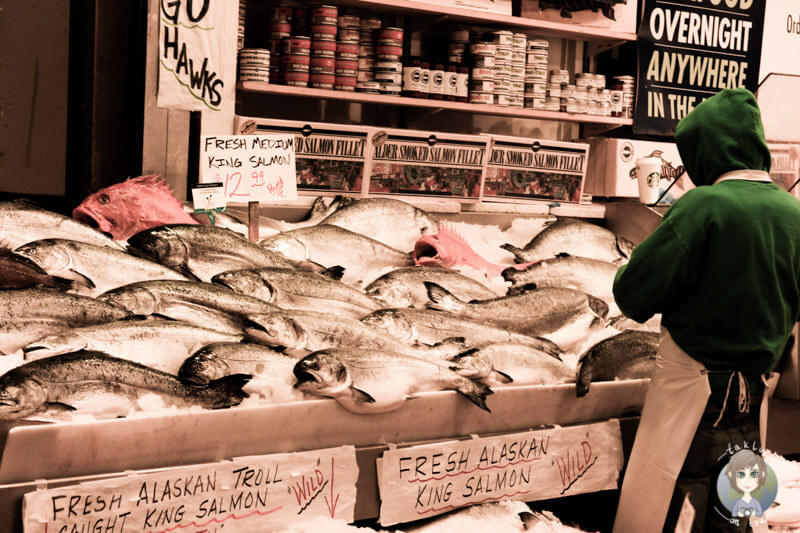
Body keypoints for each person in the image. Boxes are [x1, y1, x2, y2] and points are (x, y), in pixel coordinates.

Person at [611, 88, 800, 532]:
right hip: (753, 399)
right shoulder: (793, 213)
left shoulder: (704, 205)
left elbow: (632, 296)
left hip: (695, 399)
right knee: (735, 513)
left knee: (675, 513)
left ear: (704, 151)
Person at [725, 449, 767, 518]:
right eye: (741, 474)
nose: (747, 480)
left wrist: (753, 512)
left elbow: (759, 513)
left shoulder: (755, 502)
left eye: (754, 474)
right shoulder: (738, 502)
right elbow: (734, 513)